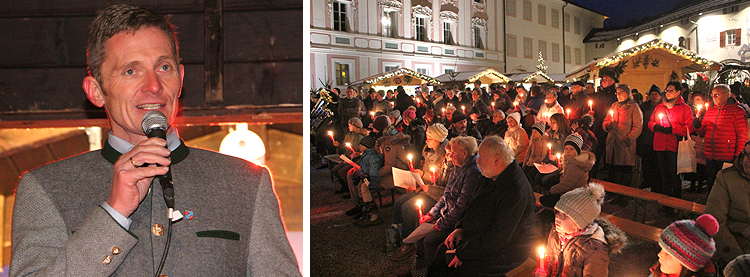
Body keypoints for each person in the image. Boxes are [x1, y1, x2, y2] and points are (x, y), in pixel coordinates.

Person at [9, 5, 300, 276]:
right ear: (96, 91)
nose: (153, 86)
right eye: (131, 71)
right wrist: (114, 214)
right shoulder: (46, 188)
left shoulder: (247, 183)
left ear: (180, 78)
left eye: (164, 67)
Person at [428, 136, 537, 276]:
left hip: (507, 250)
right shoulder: (490, 174)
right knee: (440, 254)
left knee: (460, 273)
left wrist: (463, 253)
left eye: (481, 157)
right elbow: (470, 203)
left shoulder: (515, 189)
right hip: (479, 238)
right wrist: (460, 227)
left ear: (496, 160)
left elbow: (498, 237)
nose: (477, 161)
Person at [417, 136, 482, 272]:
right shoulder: (457, 167)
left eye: (453, 151)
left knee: (430, 240)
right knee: (420, 225)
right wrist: (432, 213)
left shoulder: (472, 173)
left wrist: (441, 224)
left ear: (464, 154)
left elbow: (461, 206)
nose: (450, 155)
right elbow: (445, 195)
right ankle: (421, 263)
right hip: (446, 214)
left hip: (457, 221)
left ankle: (431, 271)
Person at [539, 183, 626, 277]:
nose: (558, 217)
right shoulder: (556, 234)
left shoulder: (594, 250)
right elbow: (549, 261)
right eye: (558, 212)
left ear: (579, 223)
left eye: (565, 215)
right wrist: (543, 271)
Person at [694, 84, 748, 193]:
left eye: (716, 95)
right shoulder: (710, 111)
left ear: (727, 95)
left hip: (727, 156)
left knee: (725, 186)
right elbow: (703, 133)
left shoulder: (737, 111)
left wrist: (738, 156)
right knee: (711, 183)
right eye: (712, 95)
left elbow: (742, 135)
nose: (713, 97)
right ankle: (710, 206)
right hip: (711, 155)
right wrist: (697, 126)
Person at [704, 141, 750, 268]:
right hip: (737, 243)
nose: (745, 160)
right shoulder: (727, 178)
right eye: (744, 154)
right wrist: (737, 259)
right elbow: (714, 220)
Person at [649, 81, 693, 206]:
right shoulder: (660, 106)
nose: (667, 93)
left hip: (675, 146)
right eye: (666, 90)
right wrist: (656, 127)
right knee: (664, 175)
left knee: (674, 175)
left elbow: (689, 128)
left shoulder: (685, 108)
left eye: (671, 90)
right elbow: (650, 122)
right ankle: (666, 202)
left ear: (678, 92)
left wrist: (672, 129)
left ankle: (676, 202)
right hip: (660, 144)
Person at [648, 214, 719, 277]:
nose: (659, 254)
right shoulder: (658, 273)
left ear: (688, 265)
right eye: (662, 249)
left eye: (668, 253)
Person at [603, 84, 643, 190]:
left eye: (621, 92)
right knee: (615, 168)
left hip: (625, 143)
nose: (619, 95)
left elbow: (638, 126)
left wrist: (629, 138)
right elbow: (606, 120)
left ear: (628, 93)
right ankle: (617, 192)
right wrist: (608, 125)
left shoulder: (633, 107)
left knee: (625, 169)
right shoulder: (614, 106)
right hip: (613, 142)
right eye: (617, 93)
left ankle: (625, 193)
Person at [539, 134, 596, 208]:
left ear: (577, 151)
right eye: (566, 149)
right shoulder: (576, 161)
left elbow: (566, 185)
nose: (568, 151)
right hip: (574, 192)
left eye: (571, 149)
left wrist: (552, 190)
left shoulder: (575, 166)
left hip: (573, 196)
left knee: (544, 199)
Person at [331, 117, 366, 196]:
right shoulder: (348, 135)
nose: (348, 127)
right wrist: (338, 145)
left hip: (355, 160)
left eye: (349, 125)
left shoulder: (358, 137)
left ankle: (352, 189)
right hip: (347, 158)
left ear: (354, 126)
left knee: (342, 172)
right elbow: (345, 148)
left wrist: (354, 154)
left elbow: (359, 151)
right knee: (334, 170)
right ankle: (345, 186)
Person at [637, 85, 662, 190]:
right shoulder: (644, 107)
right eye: (652, 94)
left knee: (657, 163)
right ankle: (647, 180)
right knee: (646, 162)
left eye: (656, 94)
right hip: (646, 139)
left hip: (658, 139)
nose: (654, 96)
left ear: (660, 96)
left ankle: (656, 183)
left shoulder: (663, 107)